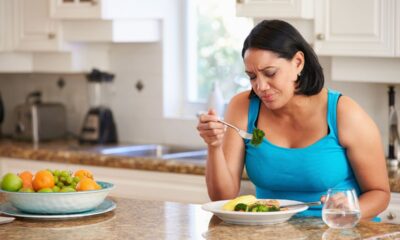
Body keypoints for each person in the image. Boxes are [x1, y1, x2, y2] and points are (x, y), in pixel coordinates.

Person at [196, 19, 390, 219]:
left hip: (337, 230)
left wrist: (351, 209)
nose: (260, 86)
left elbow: (380, 194)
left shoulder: (344, 113)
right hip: (272, 232)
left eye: (270, 73)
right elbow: (222, 197)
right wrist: (214, 145)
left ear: (298, 62)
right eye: (252, 76)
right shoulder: (243, 107)